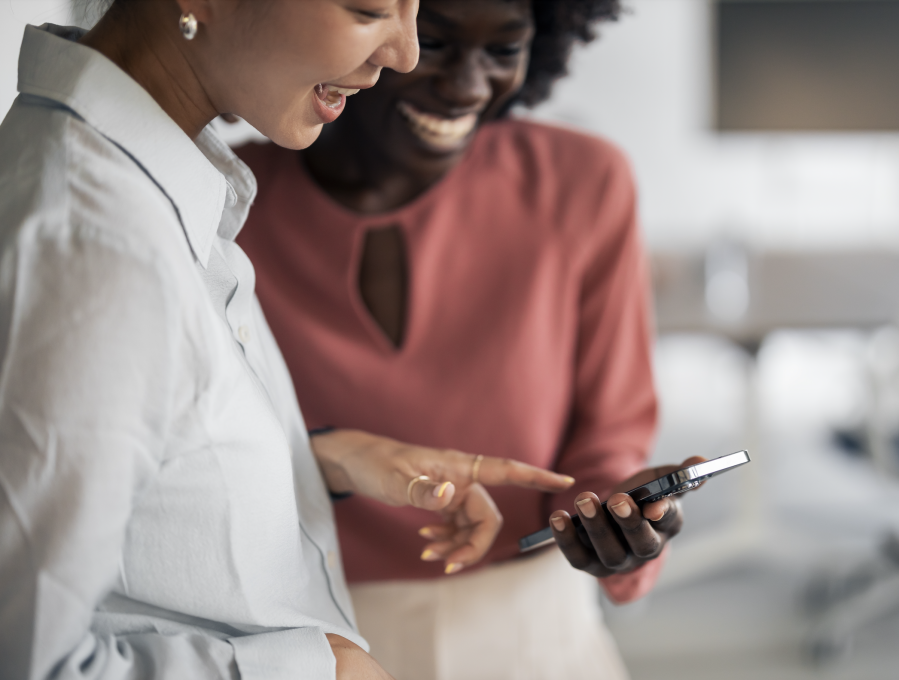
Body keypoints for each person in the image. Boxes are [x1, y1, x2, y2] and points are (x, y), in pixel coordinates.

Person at [0, 1, 576, 678]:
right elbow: (28, 658)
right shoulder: (97, 241)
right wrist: (311, 673)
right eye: (370, 8)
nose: (405, 55)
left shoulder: (147, 182)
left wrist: (313, 458)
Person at [235, 1, 702, 677]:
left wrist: (612, 522)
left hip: (531, 625)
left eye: (503, 50)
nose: (468, 86)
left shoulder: (583, 182)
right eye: (437, 44)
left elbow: (608, 430)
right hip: (312, 634)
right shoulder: (227, 200)